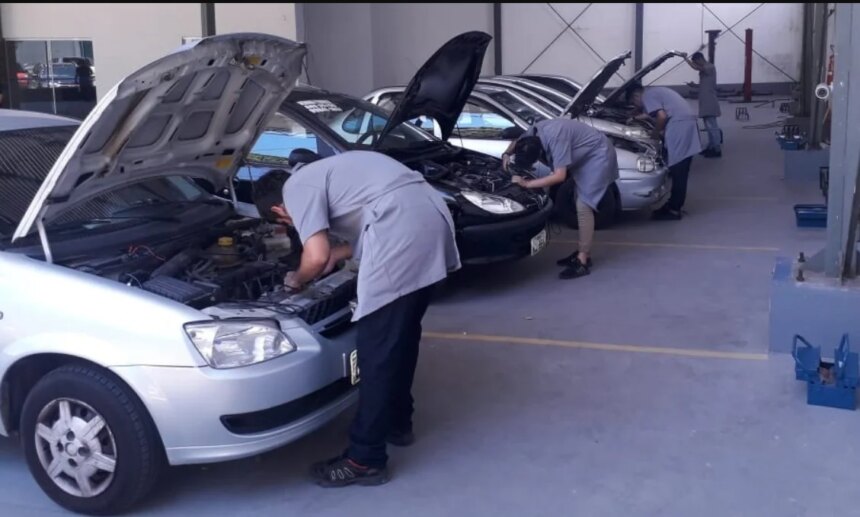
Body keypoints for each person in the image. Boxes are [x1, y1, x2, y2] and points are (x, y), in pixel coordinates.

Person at [253, 150, 461, 487]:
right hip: (429, 217)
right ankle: (397, 423)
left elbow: (315, 256)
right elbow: (358, 225)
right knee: (401, 337)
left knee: (375, 352)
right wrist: (337, 253)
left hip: (400, 229)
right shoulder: (325, 170)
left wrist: (295, 280)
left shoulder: (296, 188)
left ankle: (364, 459)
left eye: (288, 223)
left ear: (279, 210)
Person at [501, 119, 618, 279]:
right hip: (582, 154)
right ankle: (583, 251)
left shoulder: (556, 139)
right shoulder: (532, 133)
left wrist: (527, 184)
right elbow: (517, 141)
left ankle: (583, 261)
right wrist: (507, 154)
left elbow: (559, 176)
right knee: (578, 198)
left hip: (597, 155)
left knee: (583, 205)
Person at [627, 82, 701, 221]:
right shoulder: (655, 91)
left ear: (636, 95)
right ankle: (674, 204)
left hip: (679, 126)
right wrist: (637, 117)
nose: (636, 105)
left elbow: (661, 116)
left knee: (678, 169)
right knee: (682, 166)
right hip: (687, 123)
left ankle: (674, 209)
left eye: (633, 102)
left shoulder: (647, 96)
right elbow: (655, 113)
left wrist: (654, 135)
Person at [684, 51, 722, 158]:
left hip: (710, 101)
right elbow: (704, 84)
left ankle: (717, 149)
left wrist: (685, 58)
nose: (697, 64)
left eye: (696, 62)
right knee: (708, 126)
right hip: (705, 101)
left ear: (700, 59)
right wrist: (694, 85)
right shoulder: (705, 70)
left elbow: (696, 68)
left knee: (712, 126)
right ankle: (711, 147)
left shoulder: (709, 67)